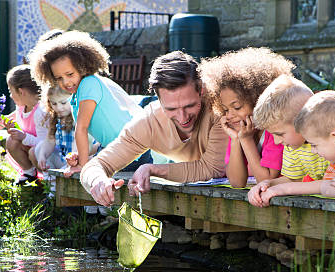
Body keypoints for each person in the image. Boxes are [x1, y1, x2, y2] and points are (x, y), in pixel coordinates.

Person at [79, 51, 229, 207]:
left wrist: (153, 169)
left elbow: (213, 169)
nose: (183, 117)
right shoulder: (148, 122)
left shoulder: (219, 108)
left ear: (202, 90)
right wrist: (98, 181)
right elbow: (95, 166)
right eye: (171, 109)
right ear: (158, 99)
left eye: (189, 105)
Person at [28, 30, 150, 174]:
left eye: (70, 74)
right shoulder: (77, 94)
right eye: (59, 78)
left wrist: (82, 165)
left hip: (131, 150)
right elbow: (102, 136)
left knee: (88, 173)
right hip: (120, 148)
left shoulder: (89, 84)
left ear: (83, 67)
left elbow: (82, 128)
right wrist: (81, 157)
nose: (65, 82)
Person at [199, 47, 294, 187]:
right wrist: (236, 140)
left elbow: (266, 180)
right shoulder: (240, 130)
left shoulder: (275, 131)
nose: (230, 115)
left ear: (258, 99)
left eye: (237, 107)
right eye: (225, 110)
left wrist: (247, 140)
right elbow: (237, 183)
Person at [248, 75, 329, 206]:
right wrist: (267, 184)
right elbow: (293, 178)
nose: (276, 141)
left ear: (303, 121)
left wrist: (282, 189)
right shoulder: (293, 147)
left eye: (280, 134)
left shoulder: (330, 141)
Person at [35, 85, 99, 174]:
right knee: (39, 148)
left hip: (81, 159)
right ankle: (51, 182)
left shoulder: (78, 117)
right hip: (65, 159)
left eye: (63, 103)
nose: (59, 108)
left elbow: (84, 145)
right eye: (54, 104)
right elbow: (50, 140)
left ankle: (60, 179)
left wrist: (74, 161)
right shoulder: (57, 118)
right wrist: (42, 155)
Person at [4, 64, 49, 184]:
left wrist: (23, 137)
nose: (10, 95)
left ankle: (48, 179)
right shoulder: (22, 106)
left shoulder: (41, 112)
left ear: (20, 91)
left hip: (44, 152)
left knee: (33, 152)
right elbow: (12, 118)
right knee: (11, 141)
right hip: (31, 146)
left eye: (10, 91)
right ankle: (29, 173)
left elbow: (45, 144)